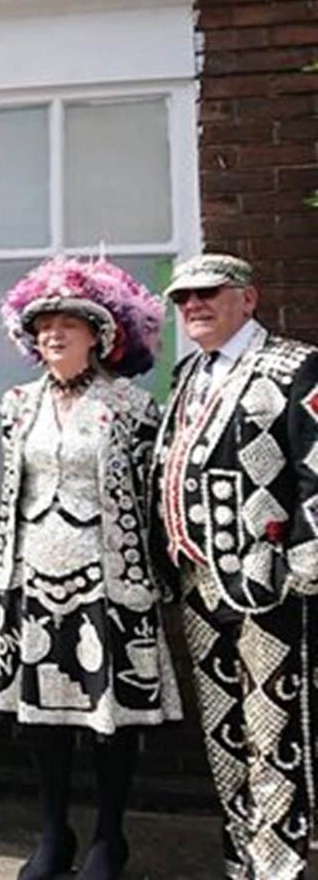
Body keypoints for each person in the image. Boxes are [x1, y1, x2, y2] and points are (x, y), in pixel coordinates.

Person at [0, 257, 181, 880]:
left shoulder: (129, 405)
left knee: (109, 715)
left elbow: (153, 496)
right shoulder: (18, 404)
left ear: (99, 335)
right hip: (36, 572)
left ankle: (108, 838)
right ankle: (53, 835)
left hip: (109, 576)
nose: (52, 335)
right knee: (42, 715)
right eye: (42, 327)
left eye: (67, 325)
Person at [155, 253, 318, 880]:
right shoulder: (189, 370)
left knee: (272, 728)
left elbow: (316, 467)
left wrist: (303, 565)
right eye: (183, 299)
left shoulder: (294, 364)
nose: (193, 305)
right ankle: (242, 855)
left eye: (208, 294)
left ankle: (279, 864)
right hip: (197, 579)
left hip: (267, 582)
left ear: (247, 300)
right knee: (223, 729)